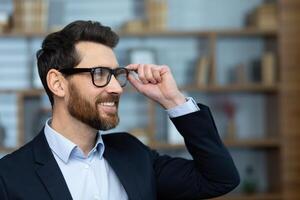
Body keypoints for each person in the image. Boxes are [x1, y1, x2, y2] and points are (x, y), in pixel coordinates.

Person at [0, 20, 239, 200]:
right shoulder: (9, 176)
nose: (117, 88)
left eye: (116, 74)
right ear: (58, 83)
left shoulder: (133, 153)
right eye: (100, 74)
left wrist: (173, 100)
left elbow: (219, 178)